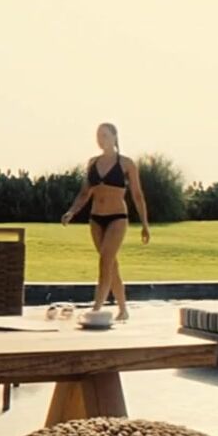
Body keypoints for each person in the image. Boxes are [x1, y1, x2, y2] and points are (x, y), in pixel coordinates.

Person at [61, 123, 151, 321]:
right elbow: (85, 193)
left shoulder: (126, 163)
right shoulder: (92, 163)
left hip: (117, 218)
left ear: (114, 137)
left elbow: (137, 195)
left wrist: (145, 224)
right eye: (98, 136)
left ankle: (96, 309)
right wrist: (72, 211)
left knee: (105, 260)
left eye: (105, 135)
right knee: (111, 264)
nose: (101, 140)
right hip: (96, 219)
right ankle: (123, 309)